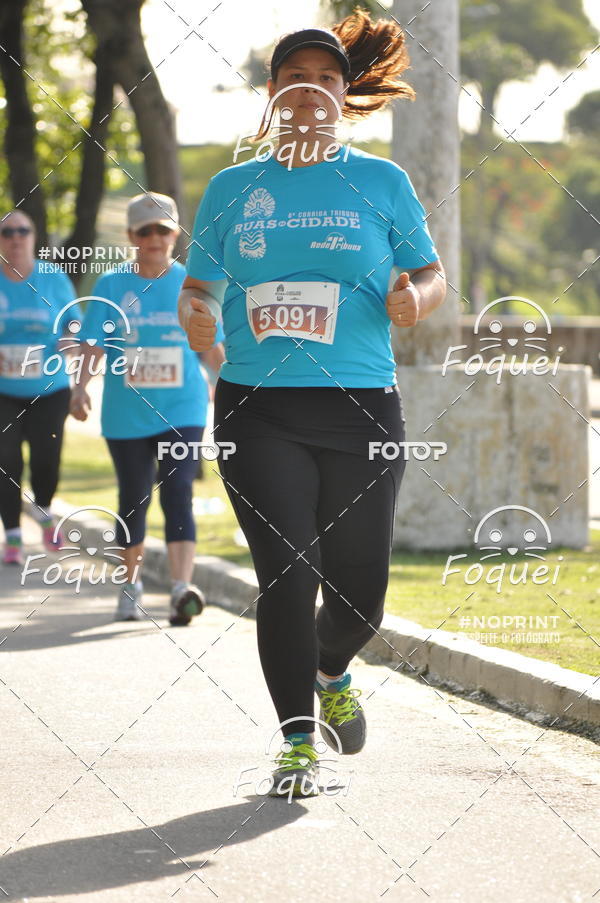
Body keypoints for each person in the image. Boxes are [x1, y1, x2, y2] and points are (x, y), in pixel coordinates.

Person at [180, 11, 447, 797]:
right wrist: (195, 311)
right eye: (296, 80)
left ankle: (333, 668)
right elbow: (198, 289)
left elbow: (428, 274)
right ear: (274, 93)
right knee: (288, 578)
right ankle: (298, 739)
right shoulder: (235, 187)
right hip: (257, 407)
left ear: (345, 96)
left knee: (360, 593)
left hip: (362, 407)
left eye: (326, 80)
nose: (311, 93)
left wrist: (415, 301)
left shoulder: (381, 182)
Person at [70, 193, 224, 625]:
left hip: (183, 408)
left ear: (176, 233)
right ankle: (130, 586)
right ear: (131, 237)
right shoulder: (113, 285)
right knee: (133, 499)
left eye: (163, 229)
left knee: (178, 495)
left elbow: (212, 346)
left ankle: (180, 590)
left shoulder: (192, 284)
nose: (155, 238)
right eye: (145, 230)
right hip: (126, 414)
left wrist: (235, 390)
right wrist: (79, 389)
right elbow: (92, 345)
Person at [0, 210, 81, 566]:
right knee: (6, 460)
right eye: (7, 232)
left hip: (49, 388)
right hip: (3, 390)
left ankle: (44, 509)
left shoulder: (52, 277)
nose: (15, 237)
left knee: (46, 460)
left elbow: (73, 318)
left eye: (23, 230)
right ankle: (13, 535)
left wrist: (69, 337)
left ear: (33, 237)